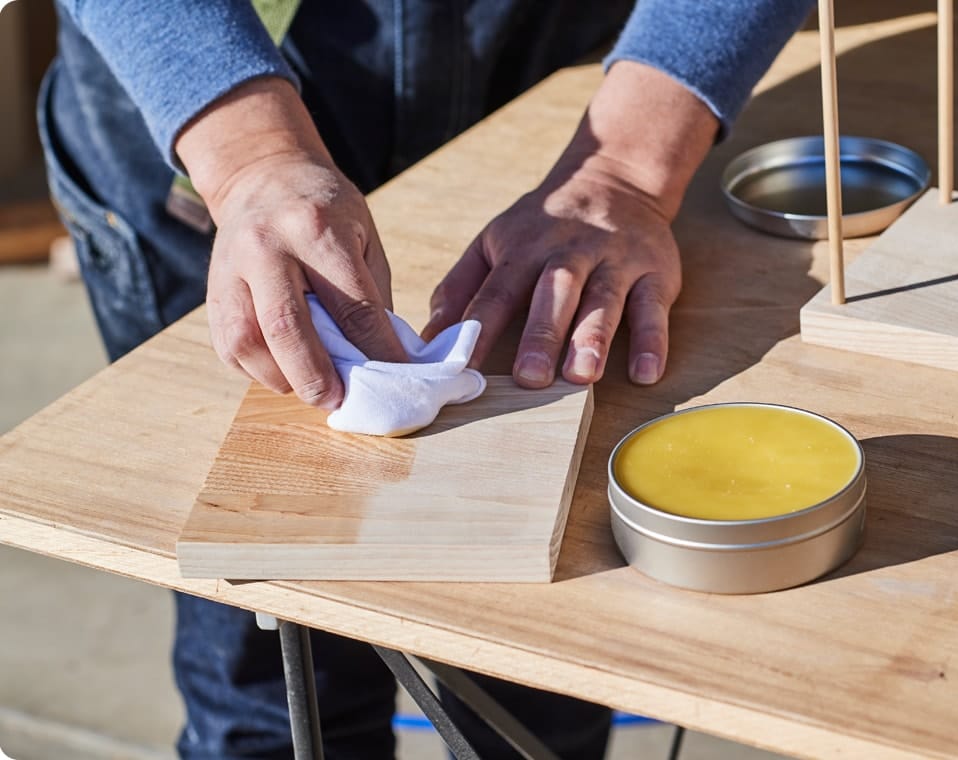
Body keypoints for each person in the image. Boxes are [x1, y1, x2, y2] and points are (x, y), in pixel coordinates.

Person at [41, 0, 815, 757]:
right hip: (203, 79)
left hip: (556, 88)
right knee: (278, 663)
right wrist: (247, 156)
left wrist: (629, 166)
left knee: (535, 658)